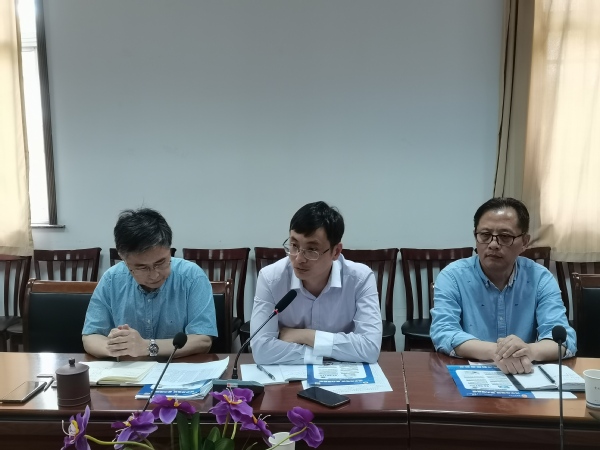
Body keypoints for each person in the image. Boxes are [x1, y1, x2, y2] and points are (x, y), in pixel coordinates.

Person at [430, 197, 576, 374]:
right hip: (469, 375)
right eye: (485, 235)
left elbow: (563, 339)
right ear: (475, 237)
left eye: (505, 237)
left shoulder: (540, 278)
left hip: (525, 374)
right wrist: (497, 352)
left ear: (524, 242)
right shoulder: (452, 276)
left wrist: (529, 351)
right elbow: (444, 332)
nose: (493, 244)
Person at [250, 201, 382, 365]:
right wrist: (329, 352)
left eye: (311, 250)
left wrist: (304, 335)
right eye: (294, 245)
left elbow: (370, 348)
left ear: (336, 252)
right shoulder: (271, 279)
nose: (299, 258)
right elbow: (261, 350)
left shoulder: (360, 279)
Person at [82, 208, 217, 358]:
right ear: (124, 259)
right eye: (142, 267)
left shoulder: (192, 277)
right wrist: (118, 347)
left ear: (169, 249)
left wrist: (147, 347)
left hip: (177, 368)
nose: (154, 275)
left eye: (161, 262)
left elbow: (203, 340)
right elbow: (90, 336)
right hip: (128, 369)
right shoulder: (111, 280)